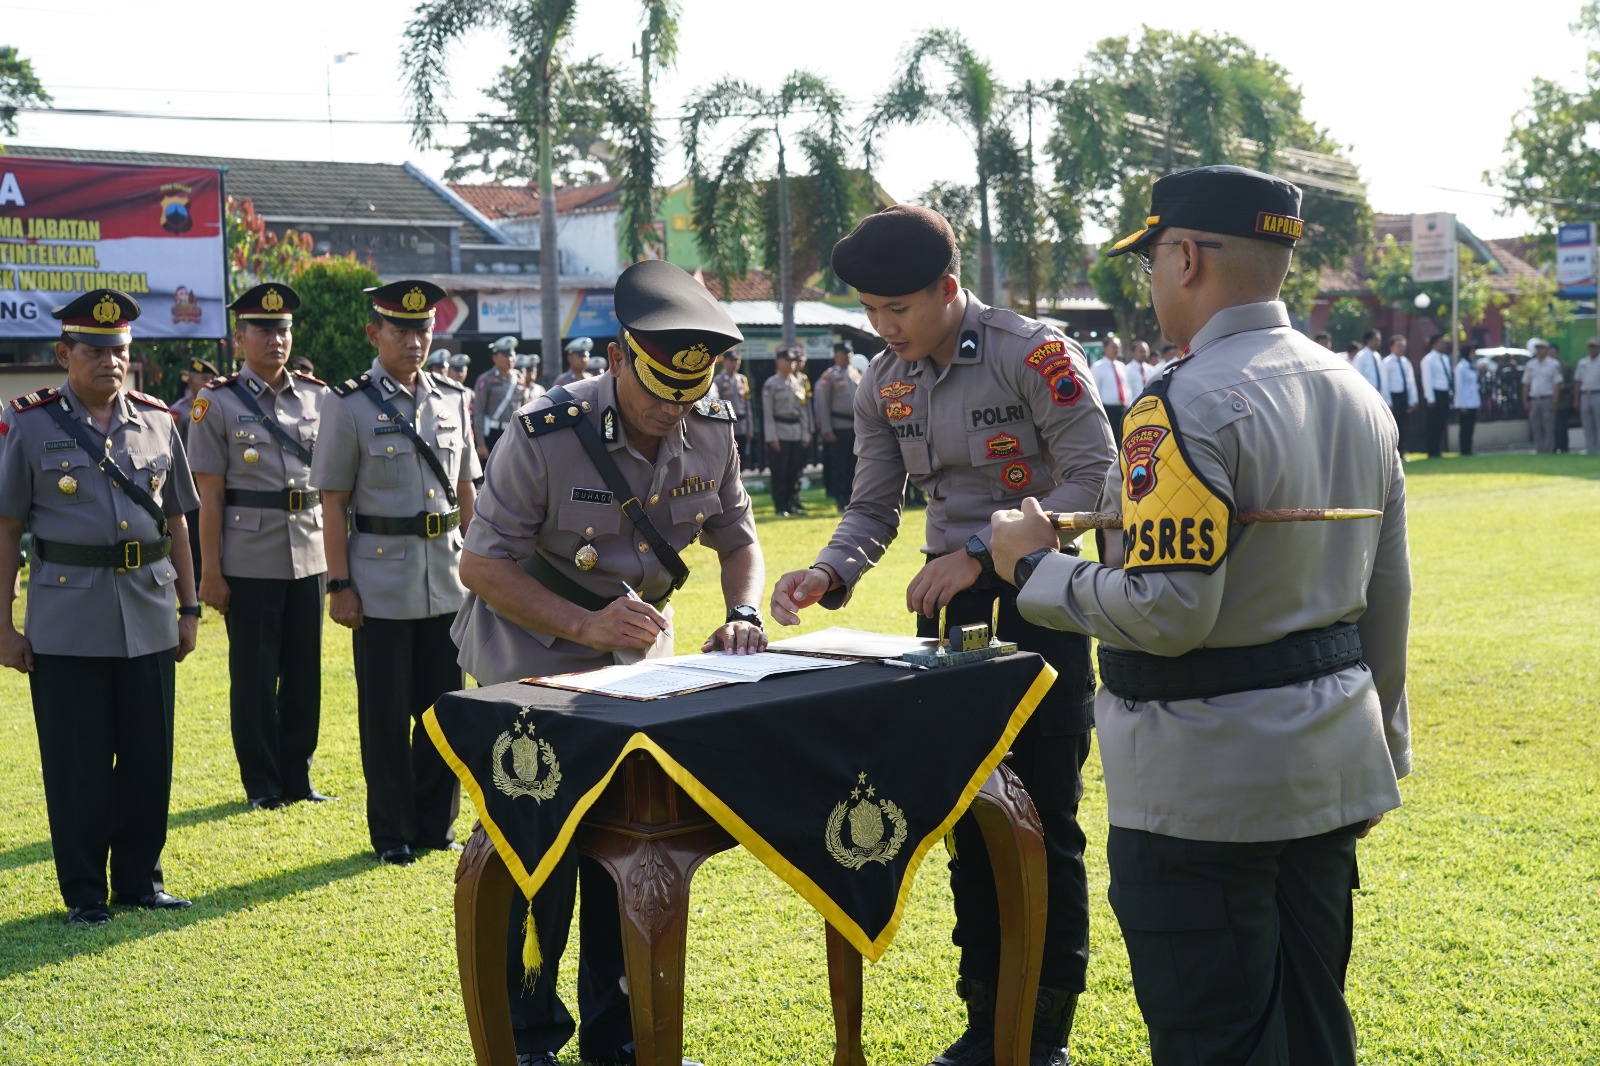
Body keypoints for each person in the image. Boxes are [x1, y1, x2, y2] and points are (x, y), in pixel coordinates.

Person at [989, 164, 1410, 1066]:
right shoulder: (1358, 394)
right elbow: (1389, 597)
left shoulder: (1182, 404)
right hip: (1330, 766)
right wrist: (1388, 751)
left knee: (1211, 1039)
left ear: (1184, 258)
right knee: (1312, 1028)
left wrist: (1034, 566)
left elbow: (1171, 611)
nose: (1150, 283)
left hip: (1202, 786)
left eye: (1151, 263)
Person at [769, 204, 1116, 1066]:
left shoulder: (1032, 353)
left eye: (900, 310)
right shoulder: (885, 379)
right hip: (948, 623)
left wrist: (980, 552)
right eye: (873, 313)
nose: (885, 329)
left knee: (1045, 822)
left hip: (1041, 606)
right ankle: (983, 1020)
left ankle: (1040, 1035)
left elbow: (1097, 479)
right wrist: (830, 572)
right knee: (968, 817)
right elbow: (872, 504)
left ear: (948, 290)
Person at [453, 259, 766, 1066]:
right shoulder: (544, 431)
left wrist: (742, 610)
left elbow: (738, 539)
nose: (672, 410)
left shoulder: (711, 426)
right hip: (528, 659)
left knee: (631, 846)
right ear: (619, 356)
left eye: (687, 395)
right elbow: (483, 567)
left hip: (632, 668)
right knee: (537, 851)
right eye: (659, 389)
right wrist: (584, 626)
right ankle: (528, 1037)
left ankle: (619, 1038)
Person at [0, 289, 203, 924]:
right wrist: (2, 624)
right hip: (66, 621)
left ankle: (140, 879)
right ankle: (85, 889)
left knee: (149, 756)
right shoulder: (29, 425)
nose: (109, 361)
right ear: (64, 353)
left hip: (147, 612)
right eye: (94, 349)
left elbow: (178, 522)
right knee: (78, 763)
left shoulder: (160, 421)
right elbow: (7, 528)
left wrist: (190, 607)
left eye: (119, 350)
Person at [310, 280, 481, 866]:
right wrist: (338, 583)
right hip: (378, 582)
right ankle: (392, 833)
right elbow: (332, 502)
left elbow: (466, 492)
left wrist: (484, 568)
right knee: (384, 717)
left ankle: (436, 824)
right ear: (374, 333)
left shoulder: (454, 398)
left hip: (449, 578)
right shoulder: (348, 403)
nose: (414, 341)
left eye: (423, 330)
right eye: (401, 330)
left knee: (446, 711)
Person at [188, 283, 332, 809]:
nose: (276, 339)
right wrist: (210, 572)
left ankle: (298, 777)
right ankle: (263, 784)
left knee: (304, 673)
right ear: (240, 336)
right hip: (248, 558)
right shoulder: (216, 402)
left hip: (311, 551)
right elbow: (210, 496)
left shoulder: (319, 397)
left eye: (284, 330)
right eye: (265, 330)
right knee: (253, 675)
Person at [170, 355, 219, 576]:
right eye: (204, 378)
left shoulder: (217, 406)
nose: (208, 382)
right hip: (189, 479)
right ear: (190, 381)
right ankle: (195, 573)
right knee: (190, 527)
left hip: (213, 476)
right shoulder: (179, 410)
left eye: (212, 378)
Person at [814, 339, 862, 509]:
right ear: (836, 355)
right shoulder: (829, 376)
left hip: (855, 427)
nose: (848, 356)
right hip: (838, 426)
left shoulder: (856, 373)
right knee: (840, 465)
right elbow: (823, 404)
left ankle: (852, 497)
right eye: (845, 353)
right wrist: (826, 429)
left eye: (850, 353)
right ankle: (840, 497)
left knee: (854, 465)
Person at [762, 348, 811, 515]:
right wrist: (771, 437)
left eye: (793, 360)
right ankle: (780, 505)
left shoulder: (798, 382)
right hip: (779, 431)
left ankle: (792, 502)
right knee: (779, 471)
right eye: (787, 360)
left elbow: (803, 411)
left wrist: (806, 433)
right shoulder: (771, 384)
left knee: (794, 470)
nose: (792, 364)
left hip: (796, 431)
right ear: (779, 362)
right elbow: (767, 413)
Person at [475, 335, 525, 460]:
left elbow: (524, 407)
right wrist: (480, 443)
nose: (510, 359)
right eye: (506, 355)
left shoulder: (519, 378)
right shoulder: (486, 379)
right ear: (495, 357)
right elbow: (479, 412)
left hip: (514, 432)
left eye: (512, 355)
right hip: (493, 433)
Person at [713, 350, 754, 469]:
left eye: (738, 360)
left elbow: (747, 405)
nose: (735, 364)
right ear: (725, 362)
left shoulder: (742, 380)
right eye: (732, 360)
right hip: (727, 425)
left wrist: (749, 427)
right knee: (728, 459)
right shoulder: (719, 381)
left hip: (742, 424)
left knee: (742, 459)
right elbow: (715, 407)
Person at [1521, 338, 1563, 453]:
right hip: (1534, 398)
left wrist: (1555, 401)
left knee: (1548, 426)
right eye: (1537, 349)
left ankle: (1549, 449)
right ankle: (1539, 449)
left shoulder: (1553, 364)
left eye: (1542, 349)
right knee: (1536, 426)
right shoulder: (1531, 365)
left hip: (1547, 398)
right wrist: (1525, 400)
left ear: (1546, 350)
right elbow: (1526, 383)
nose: (1539, 351)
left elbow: (1557, 384)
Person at [1418, 334, 1454, 458]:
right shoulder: (1428, 359)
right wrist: (1430, 398)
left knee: (1441, 422)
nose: (1444, 345)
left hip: (1444, 392)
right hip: (1435, 393)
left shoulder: (1444, 358)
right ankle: (1432, 450)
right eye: (1441, 342)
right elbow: (1427, 379)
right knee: (1433, 423)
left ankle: (1438, 449)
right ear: (1434, 344)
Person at [1381, 336, 1418, 454]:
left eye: (1403, 346)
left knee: (1403, 424)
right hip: (1393, 396)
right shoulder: (1387, 362)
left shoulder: (1405, 362)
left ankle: (1402, 449)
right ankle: (1393, 451)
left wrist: (1413, 399)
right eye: (1399, 346)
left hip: (1404, 395)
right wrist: (1388, 401)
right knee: (1393, 424)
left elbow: (1410, 381)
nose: (1402, 349)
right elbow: (1385, 382)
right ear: (1391, 347)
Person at [1091, 336, 1131, 434]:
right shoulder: (1097, 367)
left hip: (1122, 408)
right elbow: (1094, 390)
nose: (1116, 350)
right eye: (1113, 347)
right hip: (1107, 409)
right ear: (1105, 348)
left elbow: (1126, 387)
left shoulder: (1121, 366)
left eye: (1118, 347)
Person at [1453, 347, 1482, 455]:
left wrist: (1477, 402)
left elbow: (1475, 386)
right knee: (1464, 428)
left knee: (1470, 428)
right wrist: (1461, 404)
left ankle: (1469, 450)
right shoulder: (1461, 367)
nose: (1473, 355)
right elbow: (1459, 387)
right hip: (1464, 403)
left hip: (1472, 402)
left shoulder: (1471, 367)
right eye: (1472, 353)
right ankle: (1464, 450)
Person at [1576, 337, 1600, 454]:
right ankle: (1590, 449)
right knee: (1587, 424)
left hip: (1598, 393)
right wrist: (1576, 399)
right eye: (1590, 347)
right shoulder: (1582, 362)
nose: (1592, 349)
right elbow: (1578, 381)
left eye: (1594, 347)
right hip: (1585, 394)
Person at [1352, 328, 1384, 393]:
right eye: (1376, 340)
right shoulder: (1361, 356)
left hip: (1378, 392)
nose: (1378, 342)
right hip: (1366, 392)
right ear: (1368, 340)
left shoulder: (1377, 356)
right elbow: (1356, 376)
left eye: (1379, 340)